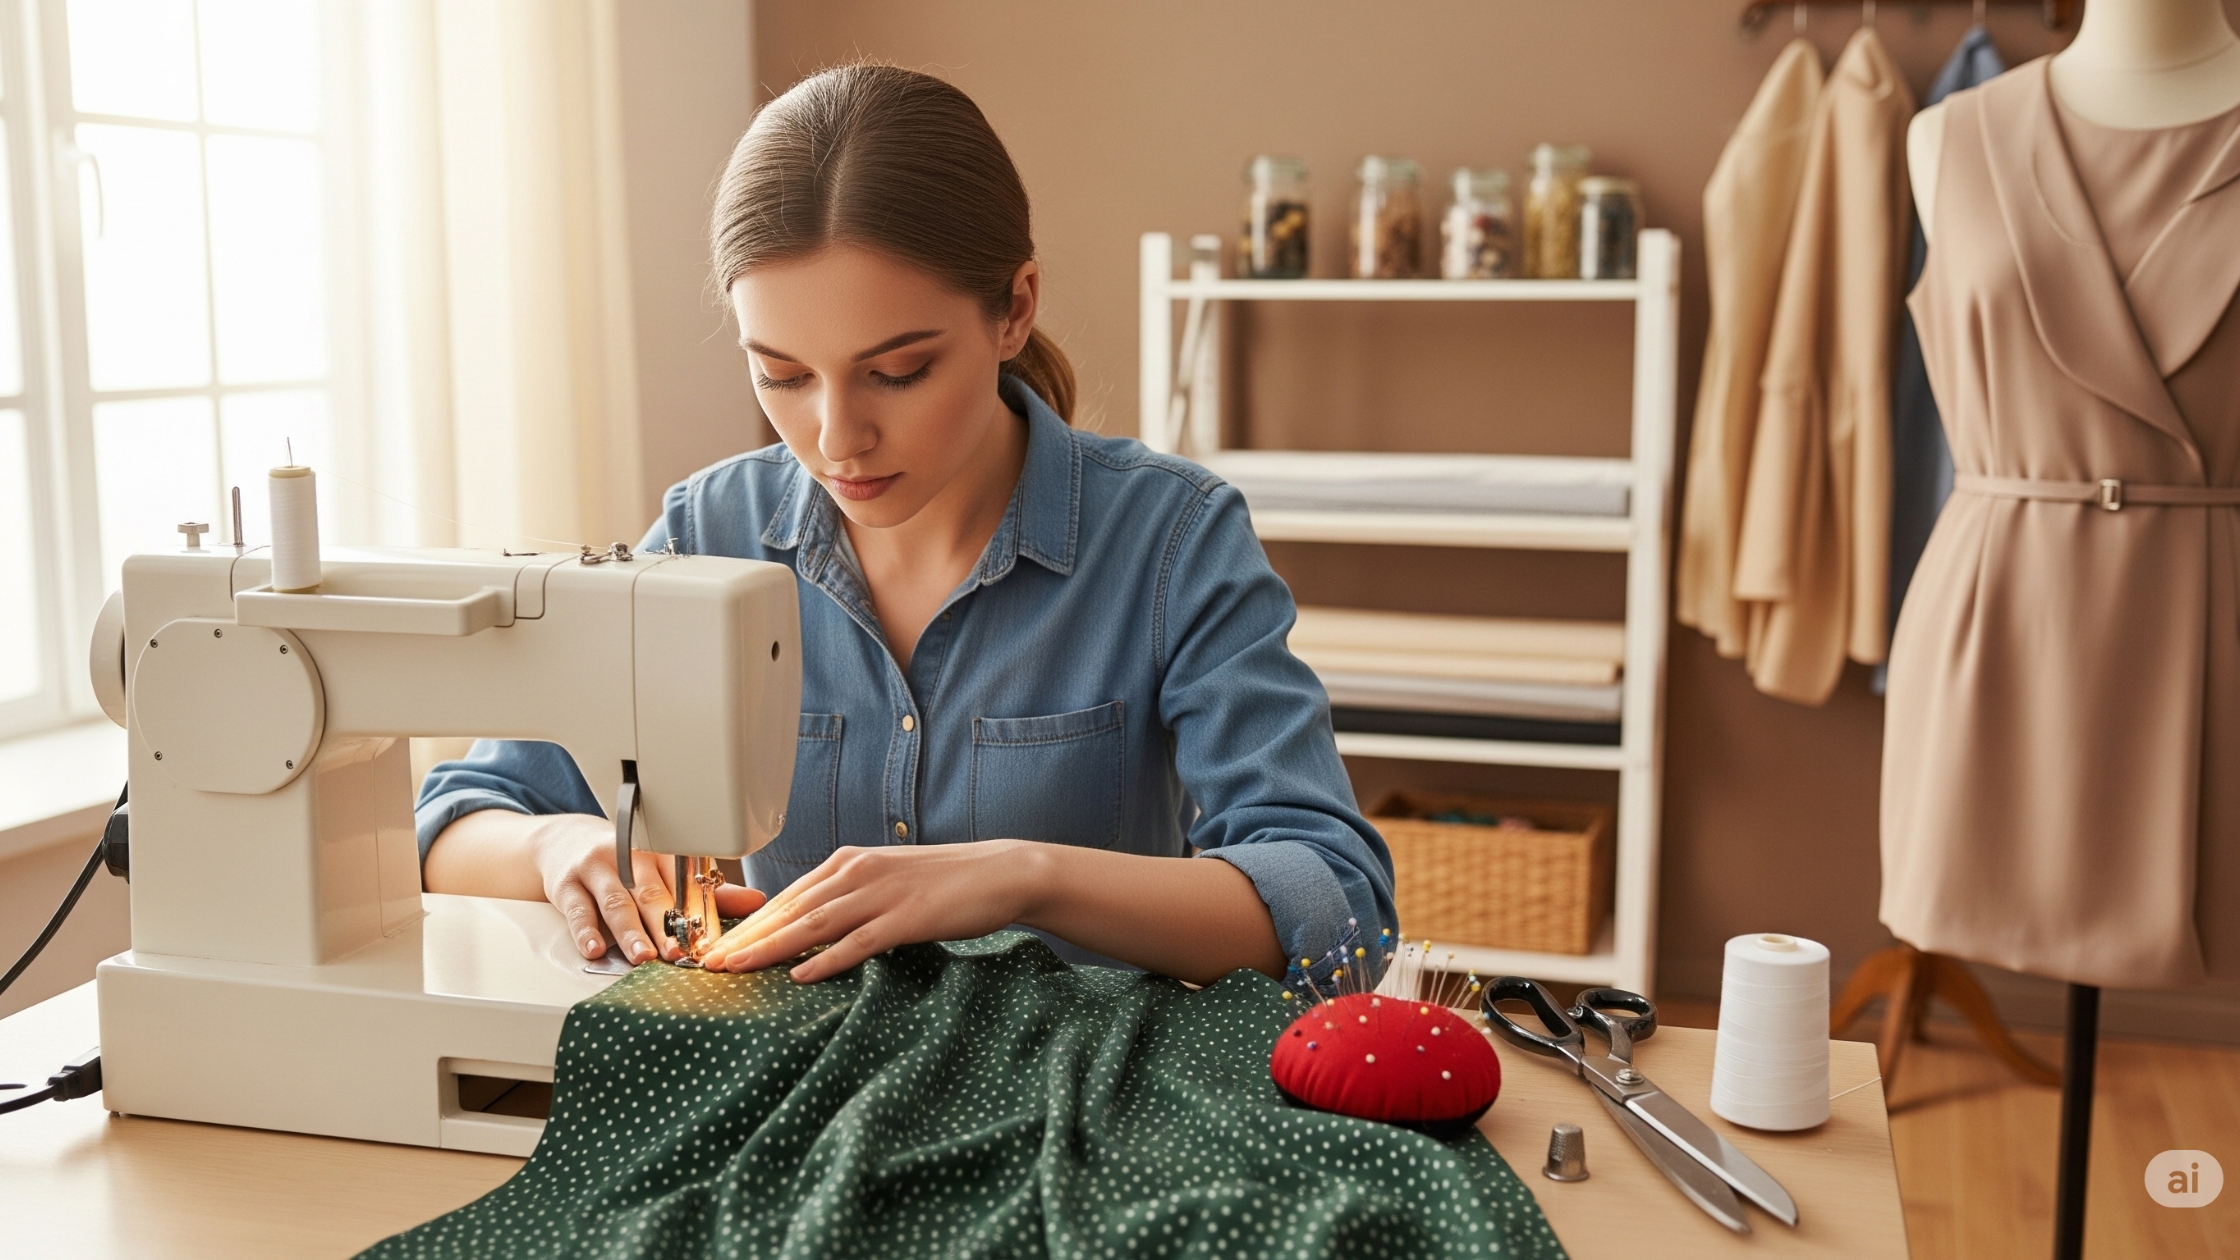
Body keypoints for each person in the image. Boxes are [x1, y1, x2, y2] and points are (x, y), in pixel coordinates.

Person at [415, 63, 1393, 989]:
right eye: (783, 375)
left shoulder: (1169, 538)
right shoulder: (710, 530)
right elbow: (450, 819)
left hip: (1082, 1115)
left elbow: (1340, 910)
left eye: (897, 371)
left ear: (1013, 309)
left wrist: (1025, 877)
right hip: (796, 1099)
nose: (835, 436)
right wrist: (555, 844)